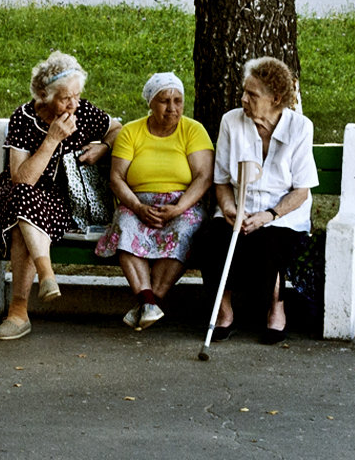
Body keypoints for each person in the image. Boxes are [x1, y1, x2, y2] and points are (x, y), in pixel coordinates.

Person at [0, 51, 121, 339]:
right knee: (24, 202)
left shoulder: (81, 112)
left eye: (76, 95)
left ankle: (19, 311)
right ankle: (45, 274)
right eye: (64, 98)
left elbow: (116, 128)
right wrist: (52, 139)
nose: (73, 104)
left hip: (61, 204)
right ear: (43, 95)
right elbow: (21, 179)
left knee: (27, 218)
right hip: (17, 197)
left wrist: (104, 147)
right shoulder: (23, 118)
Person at [195, 57, 318, 345]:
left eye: (252, 94)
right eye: (244, 92)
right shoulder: (231, 121)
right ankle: (223, 312)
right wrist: (228, 208)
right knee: (210, 239)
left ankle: (276, 309)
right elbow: (222, 180)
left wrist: (269, 215)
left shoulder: (300, 127)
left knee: (268, 244)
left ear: (276, 99)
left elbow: (301, 191)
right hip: (238, 206)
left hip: (282, 213)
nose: (243, 99)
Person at [94, 72, 214, 330]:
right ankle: (149, 303)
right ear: (150, 103)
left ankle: (149, 302)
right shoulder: (131, 132)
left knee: (185, 229)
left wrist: (178, 208)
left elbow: (204, 177)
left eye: (178, 100)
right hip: (137, 203)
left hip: (182, 203)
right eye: (164, 101)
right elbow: (117, 178)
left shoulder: (193, 130)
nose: (172, 108)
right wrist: (137, 207)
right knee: (125, 224)